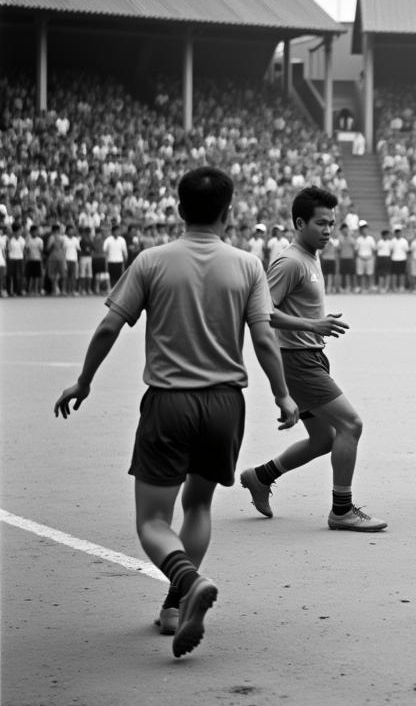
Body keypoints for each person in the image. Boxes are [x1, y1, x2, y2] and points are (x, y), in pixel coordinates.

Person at [53, 167, 300, 657]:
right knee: (200, 505)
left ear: (180, 208)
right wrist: (283, 396)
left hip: (169, 402)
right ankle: (174, 606)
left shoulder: (151, 261)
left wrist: (84, 380)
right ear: (228, 212)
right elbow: (264, 337)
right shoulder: (247, 265)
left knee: (151, 521)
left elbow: (109, 327)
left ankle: (187, 580)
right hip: (226, 404)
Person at [239, 186, 387, 533]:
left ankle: (260, 477)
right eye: (321, 224)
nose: (328, 231)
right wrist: (312, 324)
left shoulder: (310, 256)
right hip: (297, 361)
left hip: (311, 356)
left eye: (332, 224)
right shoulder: (290, 261)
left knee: (323, 439)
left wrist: (314, 325)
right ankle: (342, 510)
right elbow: (261, 311)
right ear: (299, 222)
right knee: (351, 425)